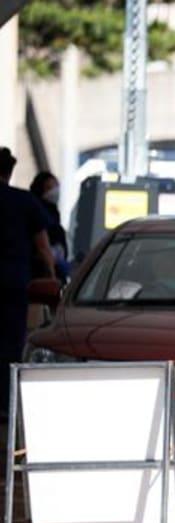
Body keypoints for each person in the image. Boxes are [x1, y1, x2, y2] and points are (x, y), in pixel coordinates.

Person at [0, 147, 56, 422]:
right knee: (11, 345)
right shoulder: (24, 202)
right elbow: (44, 248)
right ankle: (5, 406)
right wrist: (54, 278)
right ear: (9, 172)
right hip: (12, 284)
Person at [29, 171, 68, 277]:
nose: (55, 191)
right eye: (50, 187)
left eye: (56, 186)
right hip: (42, 274)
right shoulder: (37, 214)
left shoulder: (53, 214)